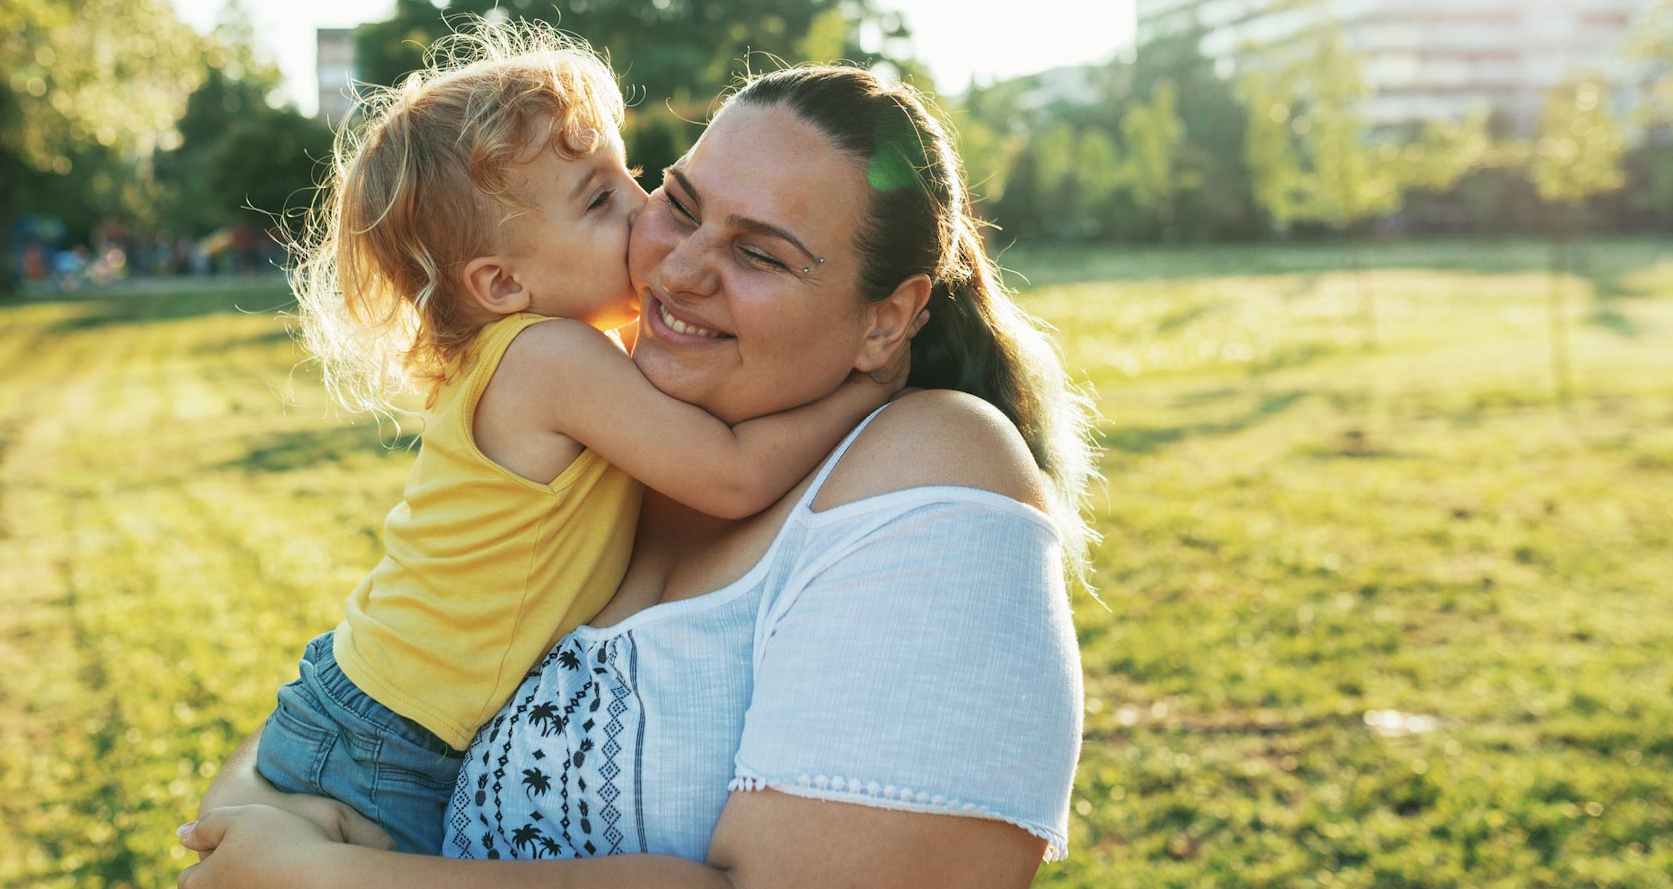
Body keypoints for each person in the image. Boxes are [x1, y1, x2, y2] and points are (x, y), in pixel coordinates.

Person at [181, 63, 1099, 887]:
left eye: (760, 253)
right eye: (682, 204)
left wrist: (321, 875)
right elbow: (340, 715)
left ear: (886, 323)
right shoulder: (605, 422)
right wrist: (271, 836)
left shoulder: (933, 466)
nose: (679, 266)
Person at [241, 29, 900, 855]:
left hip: (388, 705)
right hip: (387, 739)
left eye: (631, 174)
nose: (641, 205)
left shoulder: (545, 356)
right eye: (597, 199)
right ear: (503, 284)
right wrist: (866, 390)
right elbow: (731, 476)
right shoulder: (548, 358)